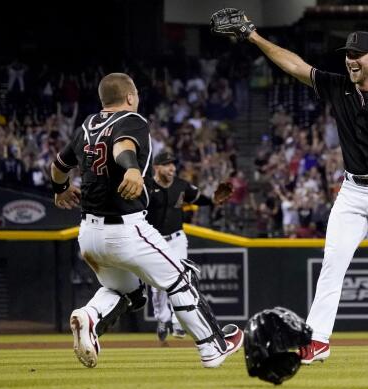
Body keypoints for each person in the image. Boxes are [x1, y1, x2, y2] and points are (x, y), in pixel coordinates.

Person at [241, 22, 368, 365]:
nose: (351, 61)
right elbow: (294, 65)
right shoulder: (337, 87)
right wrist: (254, 37)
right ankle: (317, 340)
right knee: (332, 262)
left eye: (358, 55)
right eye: (348, 55)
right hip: (352, 188)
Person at [50, 72, 243, 369]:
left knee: (126, 291)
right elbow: (123, 147)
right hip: (125, 229)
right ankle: (213, 347)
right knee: (181, 279)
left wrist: (61, 189)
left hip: (88, 233)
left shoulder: (87, 125)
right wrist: (130, 169)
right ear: (129, 96)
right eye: (136, 93)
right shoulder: (133, 120)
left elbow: (59, 165)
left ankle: (89, 316)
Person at [146, 151, 233, 343]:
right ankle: (162, 319)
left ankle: (178, 322)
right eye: (167, 164)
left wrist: (212, 200)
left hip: (177, 238)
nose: (172, 168)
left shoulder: (180, 185)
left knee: (182, 278)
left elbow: (199, 198)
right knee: (157, 286)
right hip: (154, 240)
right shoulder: (147, 186)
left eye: (173, 164)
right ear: (156, 167)